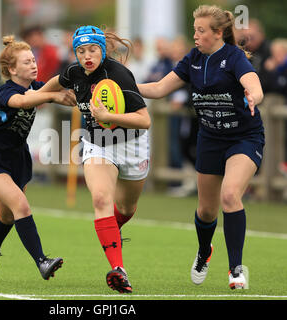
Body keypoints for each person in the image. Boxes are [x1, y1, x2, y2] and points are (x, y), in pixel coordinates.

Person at [138, 5, 265, 289]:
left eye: (201, 31)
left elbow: (253, 83)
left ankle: (236, 270)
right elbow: (159, 89)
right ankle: (204, 251)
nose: (195, 35)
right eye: (194, 30)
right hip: (209, 139)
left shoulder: (233, 57)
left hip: (244, 138)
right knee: (206, 211)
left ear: (218, 33)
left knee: (230, 196)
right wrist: (124, 86)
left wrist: (253, 95)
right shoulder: (193, 58)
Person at [40, 26, 151, 293]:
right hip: (98, 145)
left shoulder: (120, 75)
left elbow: (144, 120)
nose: (87, 55)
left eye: (92, 49)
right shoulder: (74, 72)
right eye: (81, 50)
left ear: (103, 49)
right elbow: (56, 82)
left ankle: (110, 232)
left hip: (132, 145)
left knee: (125, 209)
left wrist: (111, 117)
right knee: (101, 199)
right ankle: (119, 270)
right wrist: (41, 97)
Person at [0, 35, 76, 282]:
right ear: (12, 69)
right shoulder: (6, 91)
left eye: (33, 60)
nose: (33, 64)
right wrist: (53, 96)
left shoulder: (35, 87)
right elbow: (22, 101)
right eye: (27, 62)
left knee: (7, 215)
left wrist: (74, 78)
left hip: (18, 160)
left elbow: (52, 84)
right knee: (21, 206)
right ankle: (42, 261)